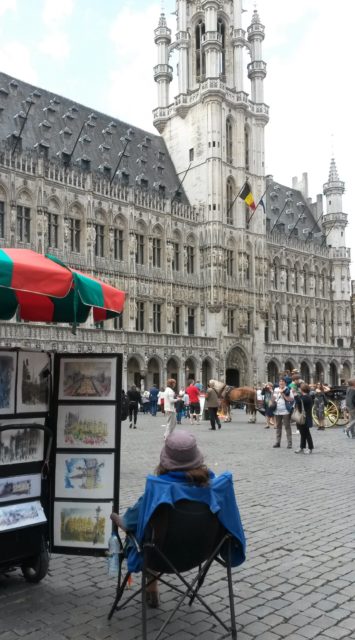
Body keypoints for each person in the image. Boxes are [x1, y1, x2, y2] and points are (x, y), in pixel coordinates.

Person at [110, 430, 246, 608]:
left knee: (144, 535)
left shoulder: (158, 490)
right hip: (202, 552)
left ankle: (151, 587)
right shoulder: (217, 489)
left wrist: (117, 519)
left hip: (160, 557)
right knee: (151, 533)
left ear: (165, 460)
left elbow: (129, 522)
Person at [272, 378, 294, 449]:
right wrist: (272, 401)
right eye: (280, 381)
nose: (281, 383)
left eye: (282, 381)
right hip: (277, 410)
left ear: (285, 383)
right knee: (278, 427)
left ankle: (289, 443)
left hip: (285, 411)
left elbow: (291, 399)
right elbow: (273, 398)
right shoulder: (276, 389)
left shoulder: (288, 389)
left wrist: (283, 394)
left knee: (287, 427)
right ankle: (278, 442)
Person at [294, 383, 314, 453]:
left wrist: (295, 395)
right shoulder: (303, 396)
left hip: (305, 417)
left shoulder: (306, 397)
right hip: (302, 417)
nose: (299, 389)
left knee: (307, 433)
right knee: (302, 433)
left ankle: (310, 448)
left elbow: (299, 402)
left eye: (300, 388)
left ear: (302, 389)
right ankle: (301, 447)